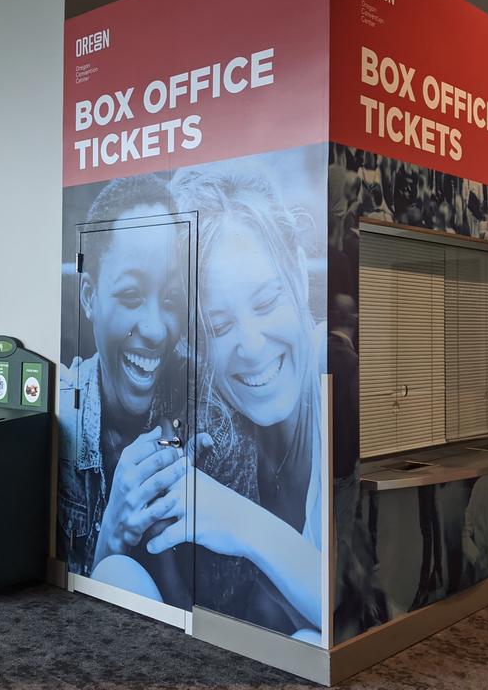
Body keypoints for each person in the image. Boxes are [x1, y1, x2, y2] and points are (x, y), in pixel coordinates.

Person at [153, 165, 325, 641]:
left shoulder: (333, 365)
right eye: (219, 326)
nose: (250, 345)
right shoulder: (213, 423)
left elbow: (352, 605)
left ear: (296, 270)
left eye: (267, 302)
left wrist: (239, 522)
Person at [57, 174, 197, 605]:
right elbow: (57, 598)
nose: (156, 329)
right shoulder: (62, 416)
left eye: (171, 298)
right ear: (89, 297)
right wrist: (113, 531)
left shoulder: (210, 405)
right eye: (132, 295)